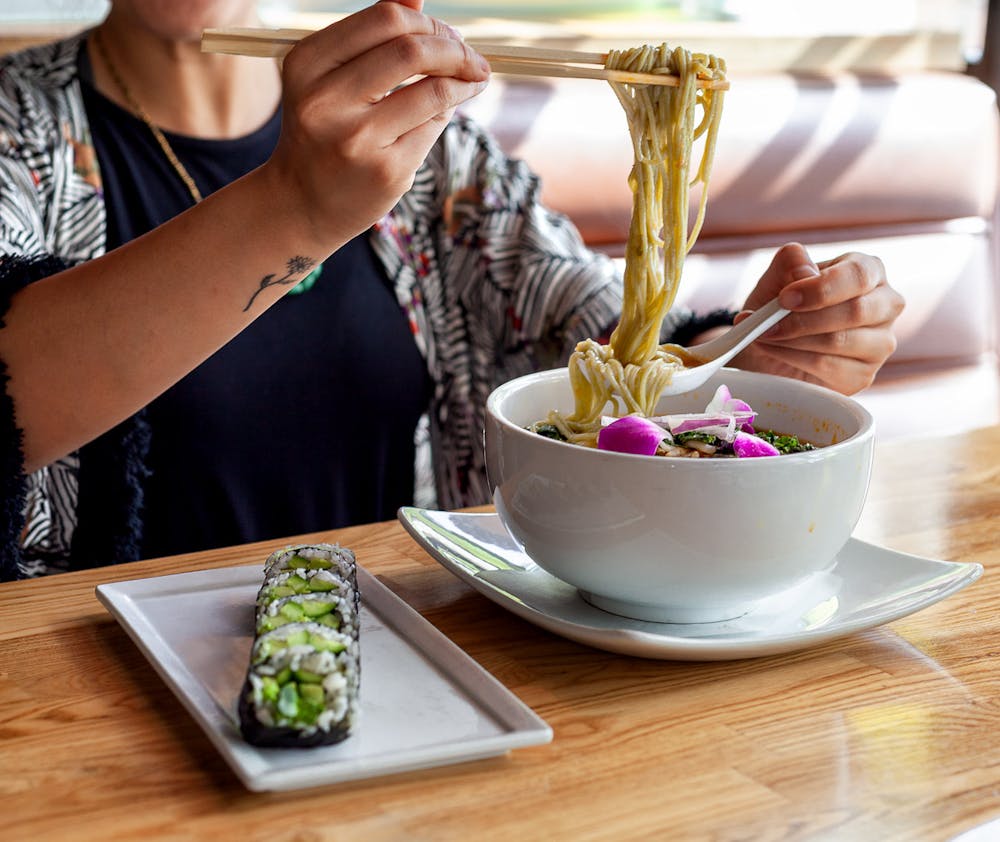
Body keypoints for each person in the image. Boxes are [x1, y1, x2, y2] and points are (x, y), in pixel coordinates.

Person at [0, 0, 904, 580]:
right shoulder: (18, 132)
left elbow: (595, 344)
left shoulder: (430, 152)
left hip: (420, 658)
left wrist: (747, 354)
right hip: (91, 693)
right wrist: (292, 207)